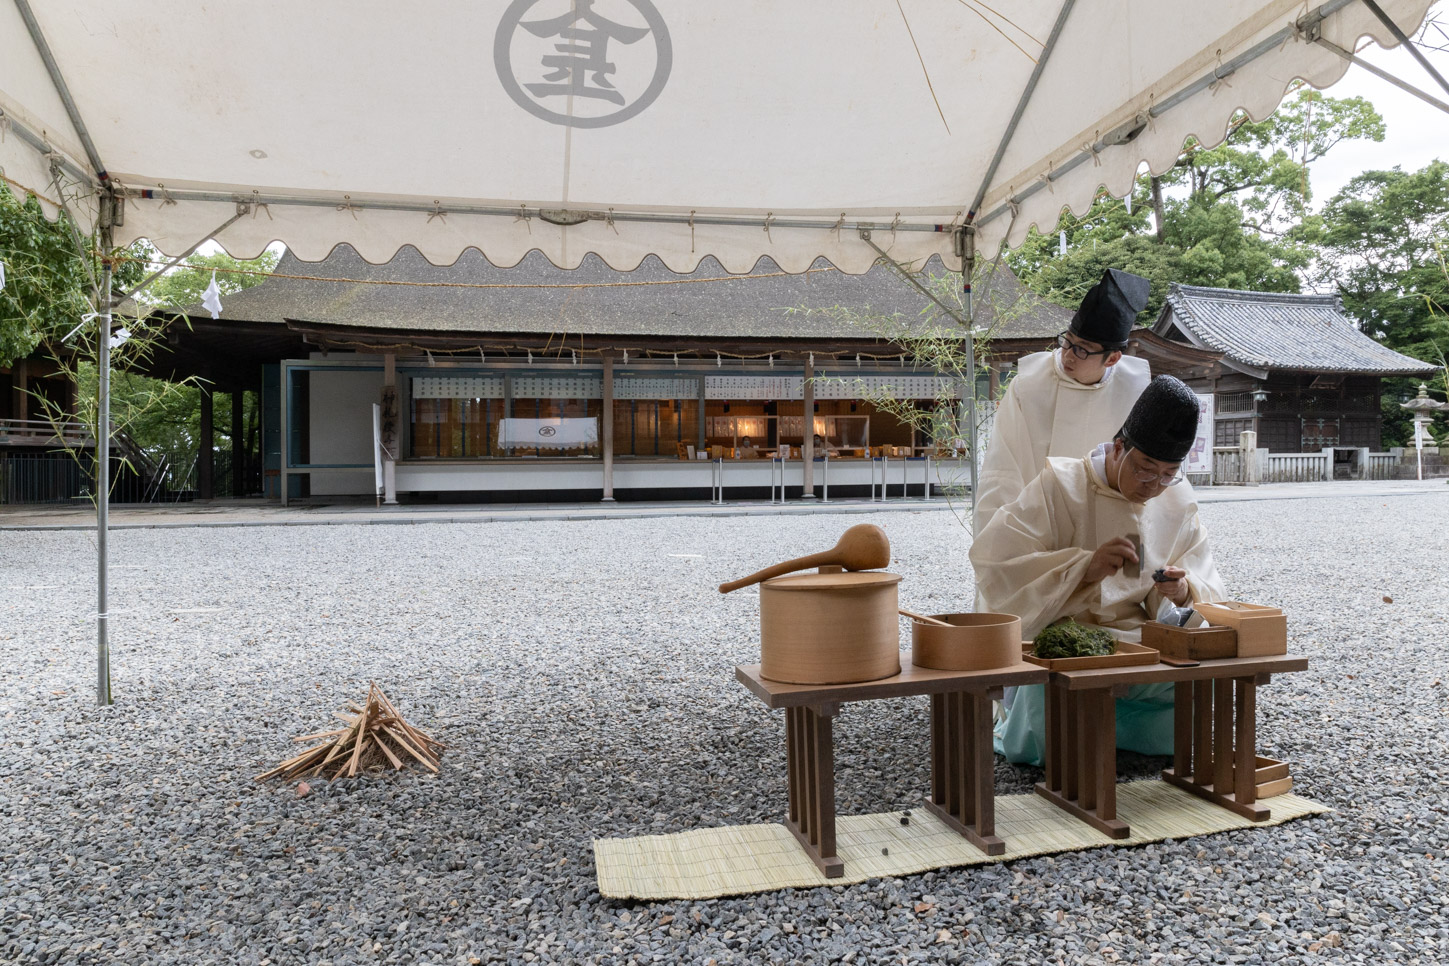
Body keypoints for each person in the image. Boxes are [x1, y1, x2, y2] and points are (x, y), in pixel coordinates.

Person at [970, 375, 1226, 766]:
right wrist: (1082, 568)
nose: (1153, 485)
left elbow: (1204, 582)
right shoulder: (1060, 485)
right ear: (1120, 447)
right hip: (1063, 639)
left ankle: (1100, 732)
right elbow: (996, 561)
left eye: (1167, 474)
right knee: (1046, 698)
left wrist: (1179, 591)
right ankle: (1095, 733)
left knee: (1200, 682)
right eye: (1144, 469)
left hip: (1137, 639)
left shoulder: (1175, 501)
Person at [976, 269, 1154, 529]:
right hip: (1038, 519)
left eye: (1082, 350)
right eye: (1067, 342)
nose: (1068, 355)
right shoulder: (1028, 386)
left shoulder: (1136, 392)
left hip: (1110, 519)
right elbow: (1003, 468)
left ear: (1113, 358)